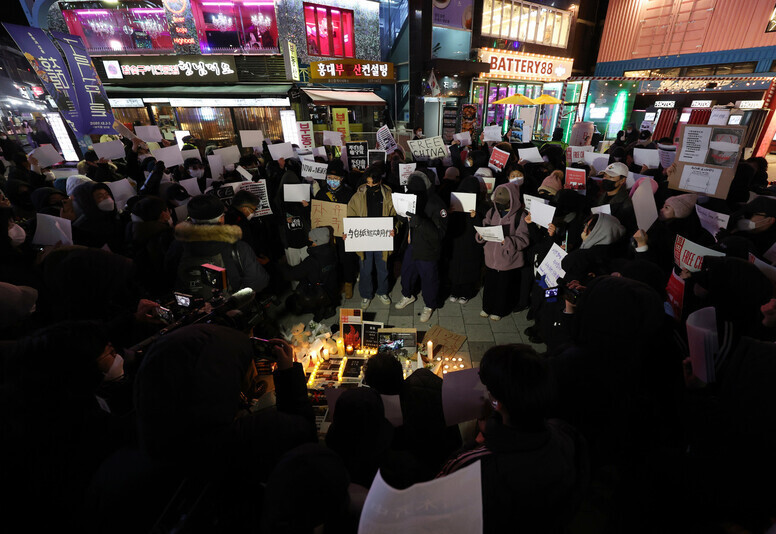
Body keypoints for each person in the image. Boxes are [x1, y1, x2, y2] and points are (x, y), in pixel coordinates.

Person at [438, 344, 588, 534]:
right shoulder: (567, 436)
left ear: (496, 403)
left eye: (489, 390)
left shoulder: (477, 465)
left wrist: (477, 441)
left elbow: (442, 487)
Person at [165, 194, 269, 299]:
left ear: (191, 219)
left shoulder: (176, 246)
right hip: (233, 308)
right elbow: (257, 282)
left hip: (195, 309)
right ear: (221, 219)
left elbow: (170, 278)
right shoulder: (239, 247)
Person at [394, 172, 448, 323]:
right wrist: (401, 215)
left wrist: (420, 222)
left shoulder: (436, 203)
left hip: (428, 249)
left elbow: (440, 233)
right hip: (411, 246)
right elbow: (405, 219)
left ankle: (429, 305)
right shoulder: (409, 198)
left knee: (429, 279)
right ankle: (407, 295)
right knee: (406, 273)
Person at [476, 181, 530, 320]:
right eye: (498, 201)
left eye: (503, 203)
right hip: (490, 258)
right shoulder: (492, 211)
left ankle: (500, 310)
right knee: (490, 285)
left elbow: (524, 239)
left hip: (508, 260)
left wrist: (508, 241)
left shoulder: (520, 216)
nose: (500, 205)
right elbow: (485, 225)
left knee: (503, 288)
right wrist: (481, 235)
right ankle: (486, 307)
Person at [346, 163, 397, 308]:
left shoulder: (388, 195)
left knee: (383, 268)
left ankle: (382, 291)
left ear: (380, 181)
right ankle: (366, 294)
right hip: (365, 240)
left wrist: (394, 229)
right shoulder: (358, 195)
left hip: (382, 239)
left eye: (373, 183)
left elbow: (395, 215)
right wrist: (350, 233)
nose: (370, 185)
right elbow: (351, 214)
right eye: (367, 182)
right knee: (365, 268)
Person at [314, 164, 357, 299]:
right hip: (328, 235)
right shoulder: (321, 193)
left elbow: (355, 213)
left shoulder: (349, 193)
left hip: (344, 235)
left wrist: (349, 229)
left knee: (347, 259)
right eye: (329, 177)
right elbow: (317, 214)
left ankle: (349, 283)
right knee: (332, 260)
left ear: (341, 179)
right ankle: (337, 284)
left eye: (335, 178)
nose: (332, 180)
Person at [284, 227, 338, 321]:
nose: (309, 241)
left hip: (317, 293)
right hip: (331, 288)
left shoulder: (311, 261)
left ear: (317, 241)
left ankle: (319, 313)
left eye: (311, 239)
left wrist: (275, 265)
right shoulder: (332, 251)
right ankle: (329, 309)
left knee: (292, 301)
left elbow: (291, 274)